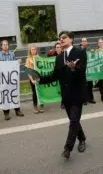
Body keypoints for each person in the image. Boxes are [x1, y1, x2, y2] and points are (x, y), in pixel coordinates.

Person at [36, 31, 87, 159]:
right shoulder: (59, 57)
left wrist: (74, 68)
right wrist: (40, 79)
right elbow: (54, 76)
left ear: (71, 39)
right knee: (74, 121)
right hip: (66, 95)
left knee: (74, 121)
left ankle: (67, 149)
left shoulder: (80, 52)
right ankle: (82, 138)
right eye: (60, 38)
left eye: (64, 37)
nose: (61, 39)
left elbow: (82, 72)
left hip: (77, 93)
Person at [0, 40, 24, 120]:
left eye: (7, 44)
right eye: (4, 45)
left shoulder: (12, 54)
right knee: (5, 95)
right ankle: (6, 113)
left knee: (14, 94)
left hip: (12, 79)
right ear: (1, 46)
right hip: (3, 79)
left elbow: (14, 64)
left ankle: (17, 110)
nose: (5, 46)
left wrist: (17, 62)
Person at [25, 46, 44, 114]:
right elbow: (27, 70)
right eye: (32, 49)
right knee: (35, 93)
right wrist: (31, 80)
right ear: (30, 51)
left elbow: (42, 68)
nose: (33, 50)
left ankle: (41, 105)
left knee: (41, 91)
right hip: (33, 78)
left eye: (35, 49)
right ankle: (35, 106)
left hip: (39, 78)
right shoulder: (28, 59)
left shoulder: (39, 58)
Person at [80, 38, 96, 105]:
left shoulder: (89, 49)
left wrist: (93, 53)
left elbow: (93, 58)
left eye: (85, 41)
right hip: (82, 71)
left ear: (87, 42)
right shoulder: (78, 50)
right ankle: (84, 100)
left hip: (89, 70)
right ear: (81, 42)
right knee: (83, 86)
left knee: (90, 85)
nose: (84, 42)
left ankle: (91, 98)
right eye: (83, 41)